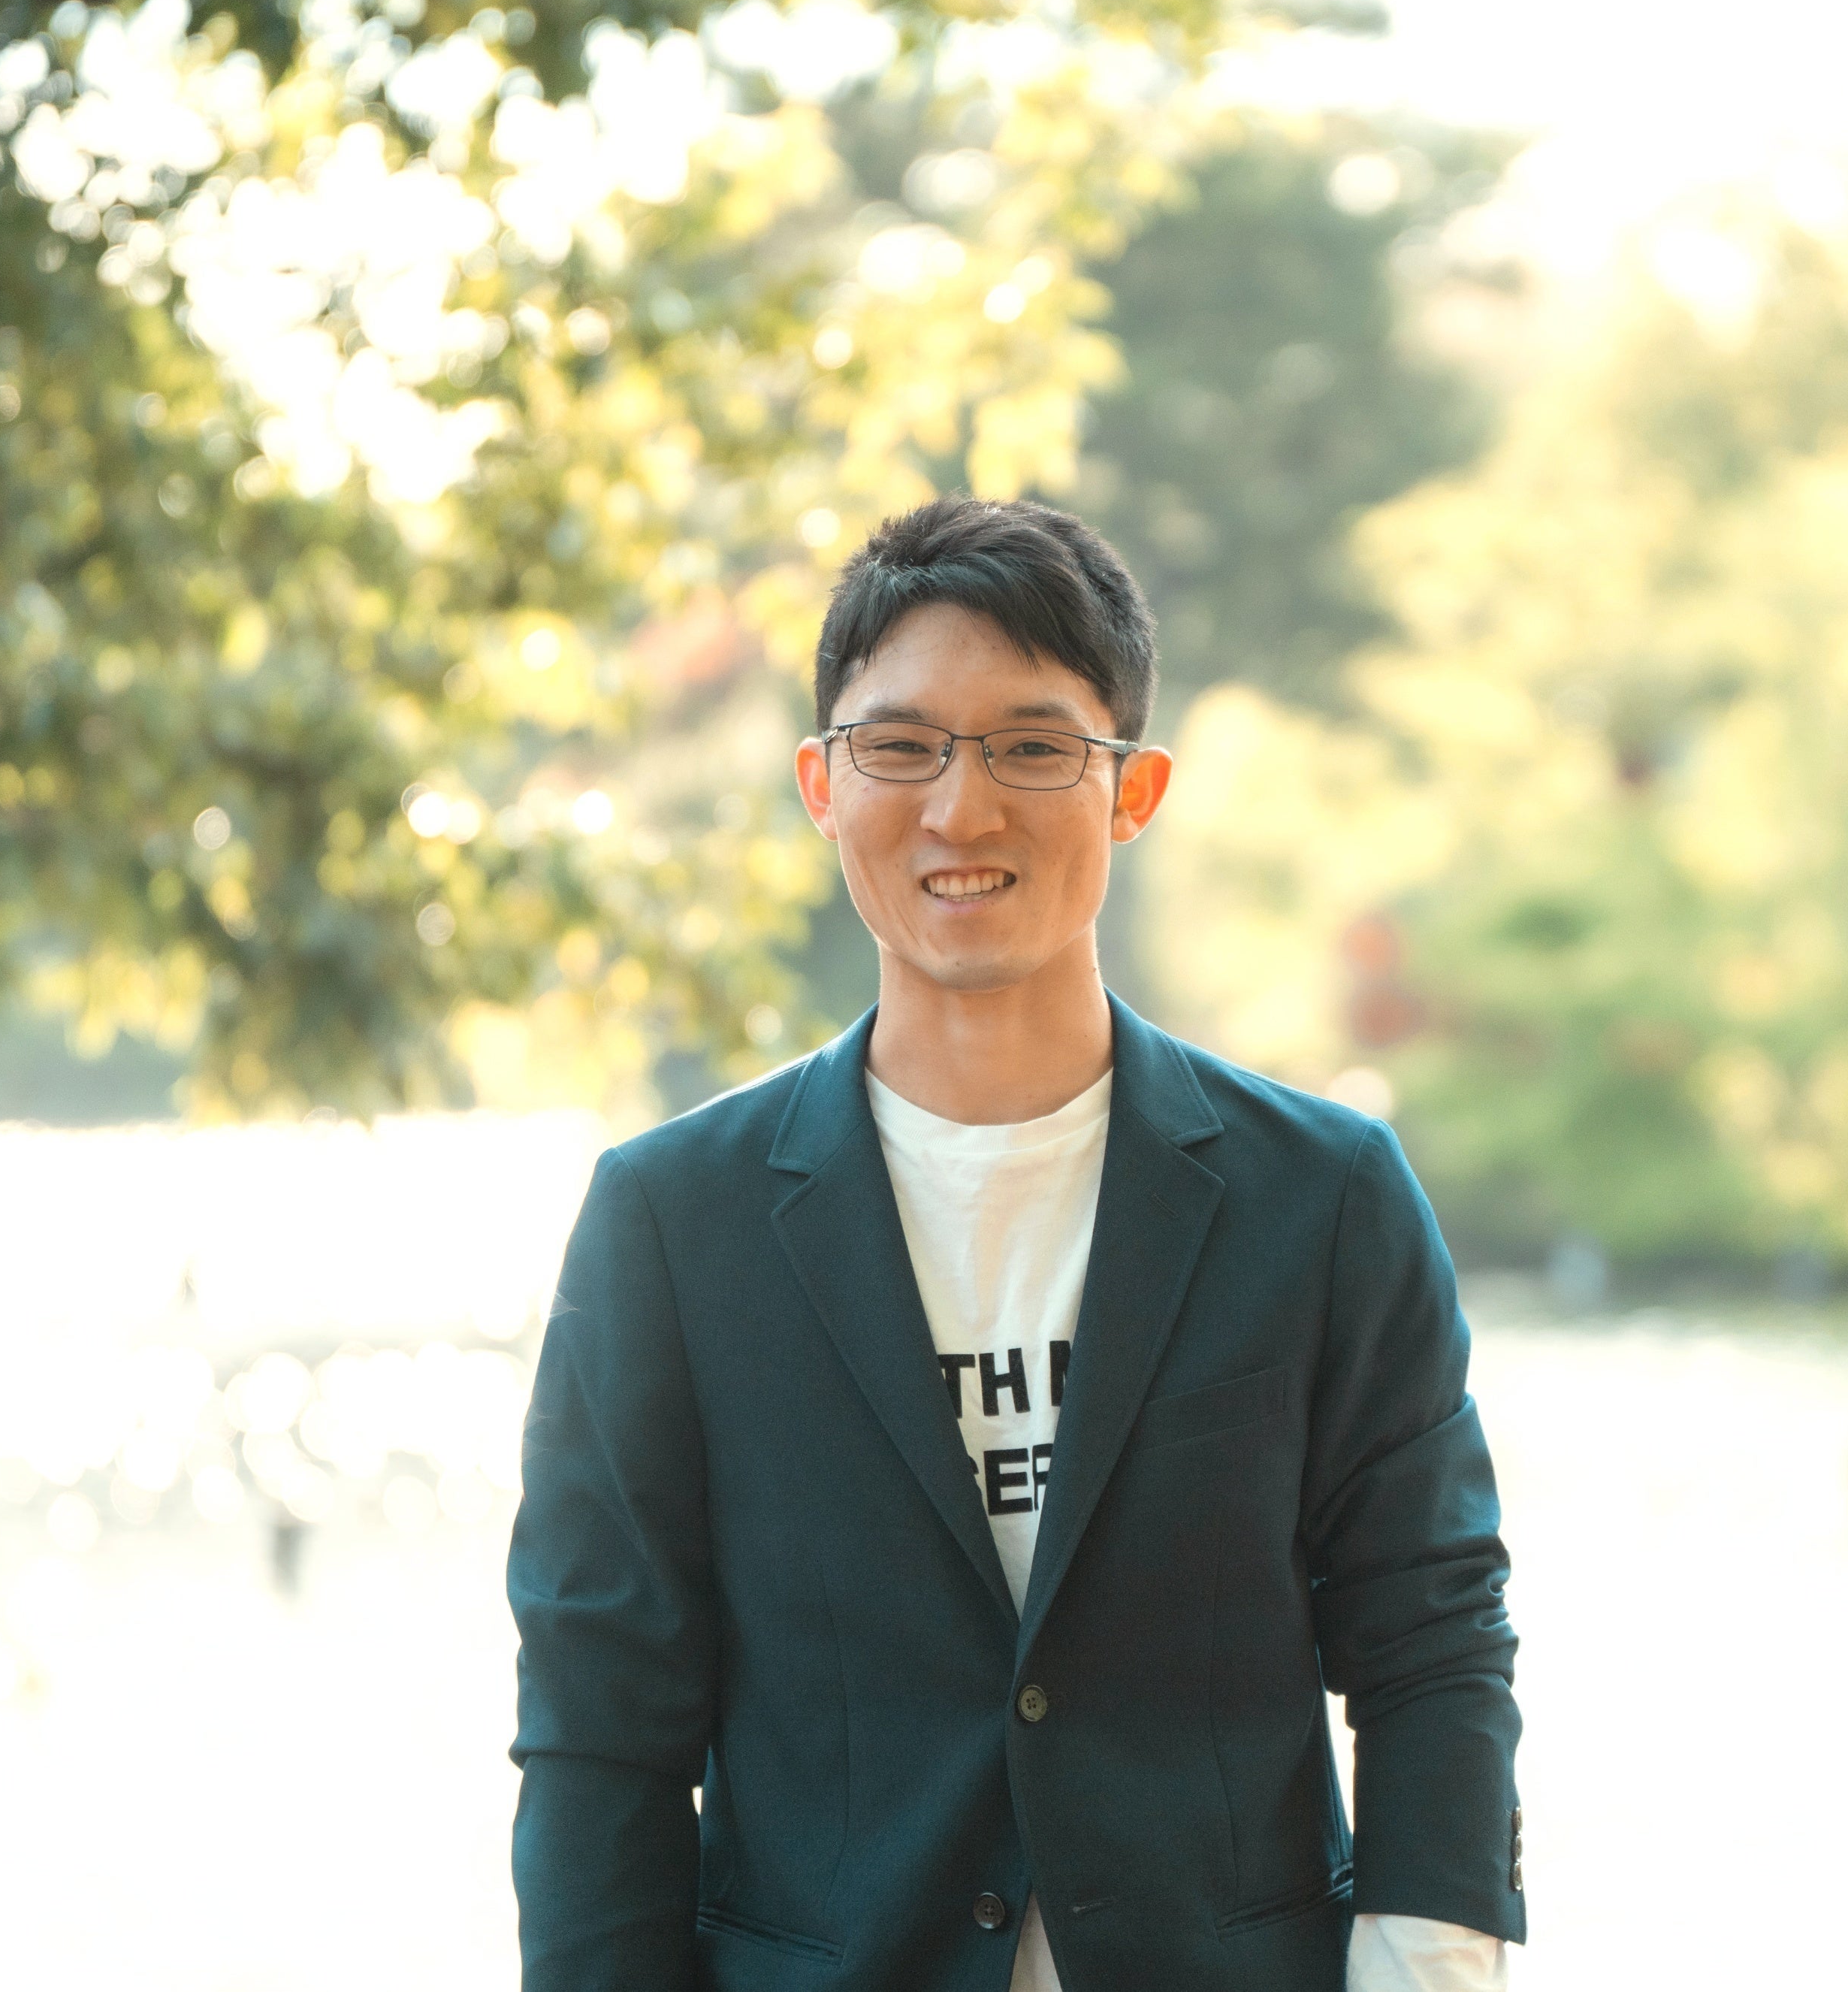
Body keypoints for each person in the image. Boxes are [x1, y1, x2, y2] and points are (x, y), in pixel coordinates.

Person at [506, 497, 1524, 1992]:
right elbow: (601, 1726)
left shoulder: (1323, 1198)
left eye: (1033, 746)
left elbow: (1432, 1639)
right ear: (821, 784)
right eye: (901, 746)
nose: (960, 808)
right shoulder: (671, 1224)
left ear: (1131, 789)